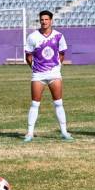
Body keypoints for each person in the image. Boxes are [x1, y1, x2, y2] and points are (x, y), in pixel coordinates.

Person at [23, 10, 73, 142]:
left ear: (51, 20)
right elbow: (28, 56)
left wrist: (57, 67)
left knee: (58, 103)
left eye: (46, 19)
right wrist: (34, 68)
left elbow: (62, 53)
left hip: (54, 74)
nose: (44, 22)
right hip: (38, 75)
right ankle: (29, 133)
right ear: (39, 21)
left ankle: (64, 132)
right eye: (42, 20)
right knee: (35, 104)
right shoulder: (33, 36)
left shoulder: (59, 36)